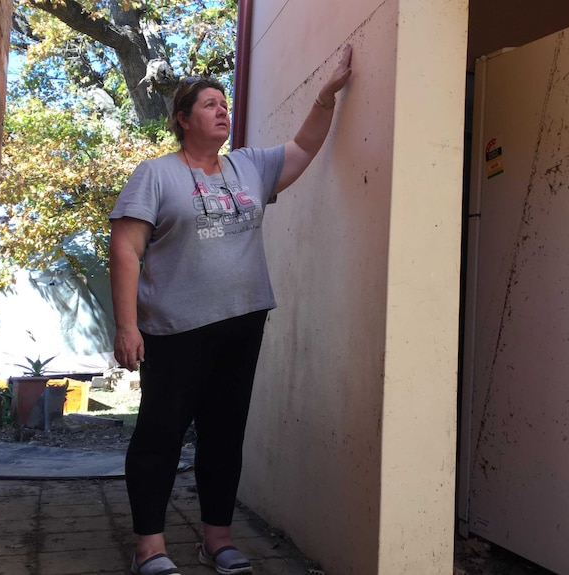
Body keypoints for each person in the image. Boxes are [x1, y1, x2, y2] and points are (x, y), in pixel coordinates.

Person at [109, 45, 353, 575]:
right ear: (182, 119)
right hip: (174, 330)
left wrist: (325, 95)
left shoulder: (251, 167)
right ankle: (149, 546)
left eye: (224, 103)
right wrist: (127, 326)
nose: (222, 110)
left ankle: (216, 539)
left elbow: (306, 146)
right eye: (209, 104)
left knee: (225, 433)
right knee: (160, 433)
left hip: (242, 323)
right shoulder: (156, 174)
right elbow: (126, 249)